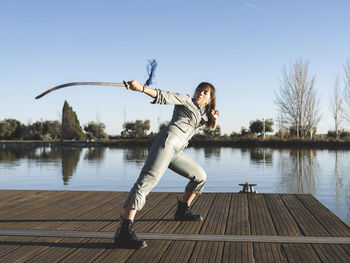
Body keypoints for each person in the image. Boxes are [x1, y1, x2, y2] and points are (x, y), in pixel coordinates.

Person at [114, 80, 220, 249]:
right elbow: (164, 96)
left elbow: (210, 127)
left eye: (205, 92)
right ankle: (124, 231)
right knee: (147, 181)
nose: (201, 92)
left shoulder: (198, 116)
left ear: (209, 100)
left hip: (176, 151)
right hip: (166, 143)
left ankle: (182, 210)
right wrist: (141, 88)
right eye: (199, 89)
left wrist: (213, 119)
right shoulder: (185, 100)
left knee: (200, 177)